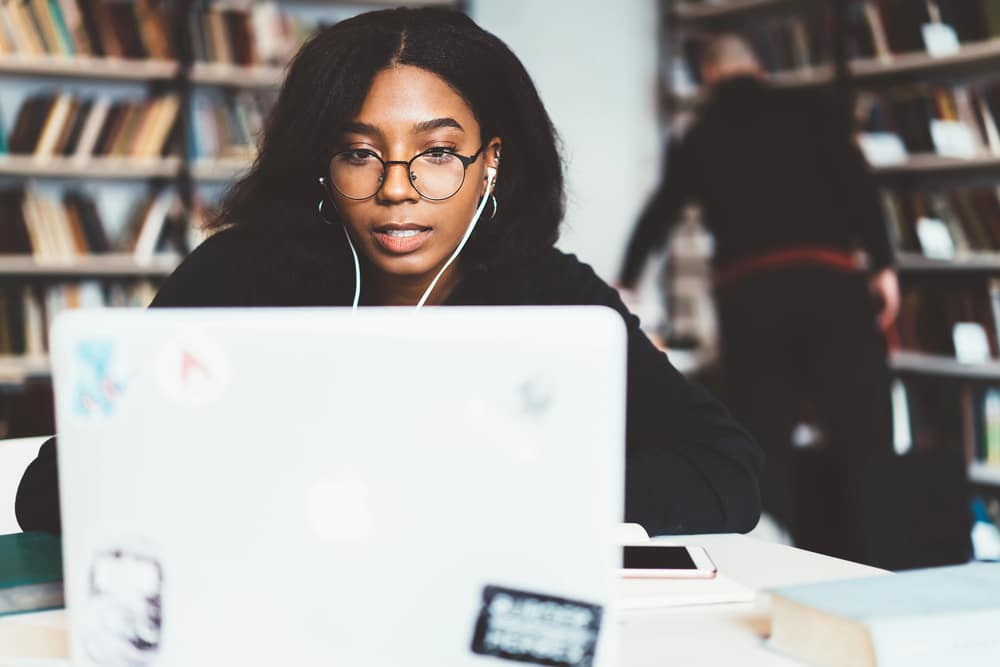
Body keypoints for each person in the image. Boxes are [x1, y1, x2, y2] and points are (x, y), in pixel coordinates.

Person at [16, 8, 762, 538]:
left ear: (490, 161)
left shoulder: (555, 294)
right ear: (322, 161)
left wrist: (502, 493)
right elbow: (52, 487)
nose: (396, 187)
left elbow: (728, 472)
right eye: (360, 152)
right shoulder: (239, 275)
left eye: (437, 152)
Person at [617, 35, 971, 569]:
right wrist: (883, 266)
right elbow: (859, 185)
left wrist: (627, 280)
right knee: (867, 445)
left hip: (752, 296)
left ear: (709, 75)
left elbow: (661, 211)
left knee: (762, 447)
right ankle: (882, 575)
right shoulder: (811, 112)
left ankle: (781, 574)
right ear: (757, 66)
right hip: (833, 289)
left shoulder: (704, 132)